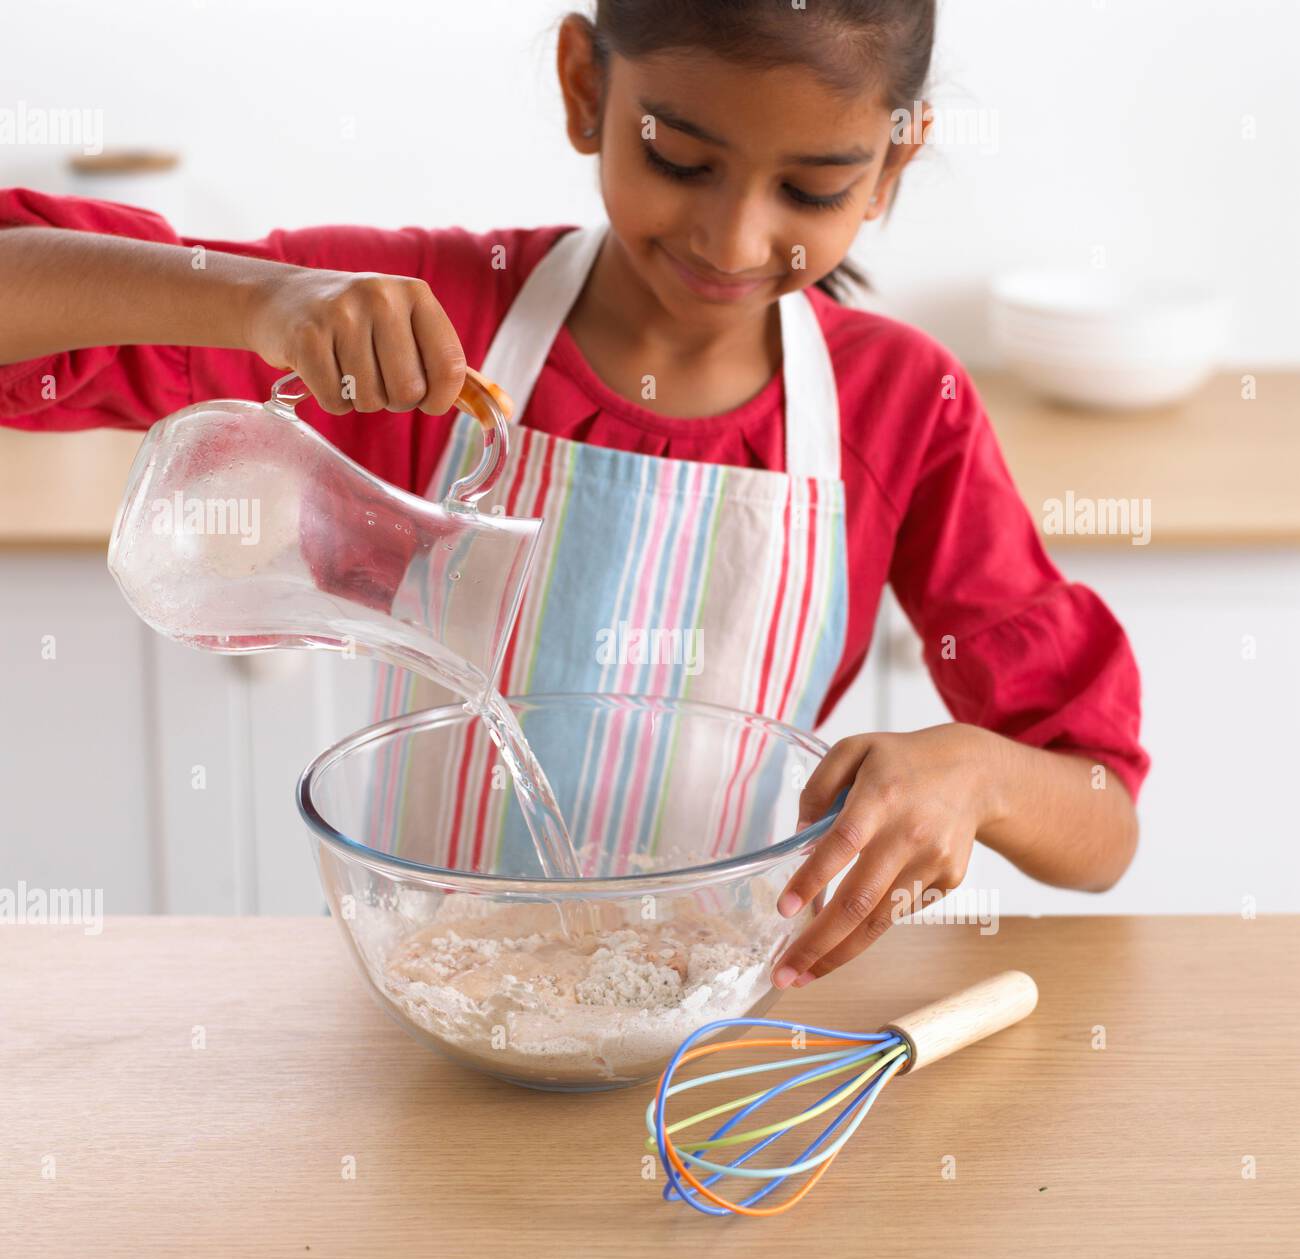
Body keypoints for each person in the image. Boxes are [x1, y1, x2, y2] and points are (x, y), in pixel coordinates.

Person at [0, 1, 1147, 987]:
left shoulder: (898, 407)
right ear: (585, 87)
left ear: (891, 168)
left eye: (809, 189)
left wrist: (979, 772)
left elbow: (1099, 823)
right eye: (682, 162)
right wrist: (262, 301)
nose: (731, 236)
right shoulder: (440, 323)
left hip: (714, 1028)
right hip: (428, 1011)